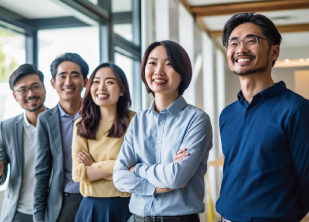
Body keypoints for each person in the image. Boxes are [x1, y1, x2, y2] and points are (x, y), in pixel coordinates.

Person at [216, 12, 309, 222]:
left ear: (274, 51)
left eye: (252, 40)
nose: (241, 49)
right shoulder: (227, 114)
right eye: (234, 42)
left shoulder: (297, 109)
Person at [113, 40, 213, 222]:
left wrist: (137, 169)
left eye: (169, 64)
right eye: (152, 63)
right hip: (137, 218)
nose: (158, 71)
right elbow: (119, 176)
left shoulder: (197, 119)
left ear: (183, 73)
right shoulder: (139, 120)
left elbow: (176, 177)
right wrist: (156, 187)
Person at [72, 63, 134, 222]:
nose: (101, 87)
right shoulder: (81, 124)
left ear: (122, 90)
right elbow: (78, 173)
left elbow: (137, 171)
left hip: (126, 207)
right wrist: (120, 169)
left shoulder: (135, 121)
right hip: (90, 208)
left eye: (110, 82)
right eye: (96, 81)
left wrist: (92, 167)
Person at [0, 64, 46, 222]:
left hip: (53, 212)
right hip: (18, 213)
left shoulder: (62, 123)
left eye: (35, 87)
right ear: (15, 96)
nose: (31, 94)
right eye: (23, 90)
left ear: (44, 88)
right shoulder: (6, 128)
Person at [33, 53, 89, 222]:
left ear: (86, 82)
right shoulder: (45, 120)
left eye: (75, 76)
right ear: (53, 82)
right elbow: (42, 172)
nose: (68, 82)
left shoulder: (97, 115)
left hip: (93, 198)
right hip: (60, 203)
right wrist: (38, 216)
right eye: (62, 76)